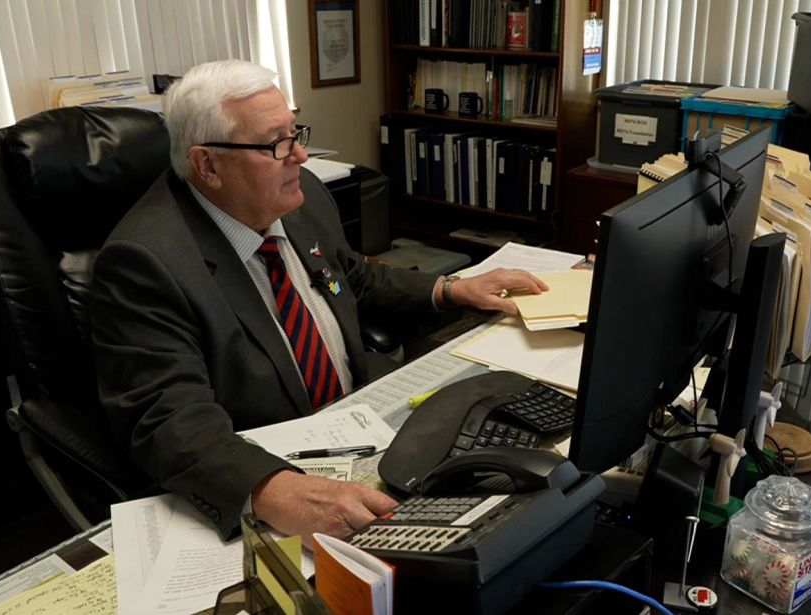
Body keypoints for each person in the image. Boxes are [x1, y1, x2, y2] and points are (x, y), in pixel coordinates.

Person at [90, 59, 547, 541]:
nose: (302, 156)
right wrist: (269, 488)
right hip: (272, 464)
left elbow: (347, 278)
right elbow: (168, 418)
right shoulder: (144, 262)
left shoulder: (297, 193)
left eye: (296, 131)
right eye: (277, 143)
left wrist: (450, 288)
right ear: (207, 164)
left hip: (361, 422)